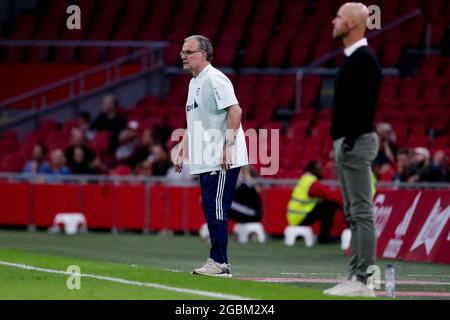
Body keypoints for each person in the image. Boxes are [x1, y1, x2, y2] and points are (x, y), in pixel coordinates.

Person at [172, 35, 248, 277]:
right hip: (205, 157)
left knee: (216, 208)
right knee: (209, 206)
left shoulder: (214, 78)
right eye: (182, 52)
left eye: (188, 51)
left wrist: (227, 147)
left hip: (220, 156)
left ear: (203, 54)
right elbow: (194, 122)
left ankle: (220, 262)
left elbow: (235, 110)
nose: (183, 55)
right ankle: (217, 261)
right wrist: (181, 147)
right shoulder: (194, 83)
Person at [325, 3, 382, 297]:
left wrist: (346, 141)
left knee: (361, 212)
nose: (333, 21)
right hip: (348, 142)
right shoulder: (351, 58)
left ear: (352, 23)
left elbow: (364, 107)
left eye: (338, 17)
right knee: (353, 211)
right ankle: (355, 274)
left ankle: (363, 279)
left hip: (356, 142)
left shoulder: (364, 59)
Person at [287, 161, 343, 243]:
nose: (322, 171)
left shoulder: (305, 179)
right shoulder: (312, 182)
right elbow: (330, 195)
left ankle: (324, 237)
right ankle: (324, 238)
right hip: (300, 217)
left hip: (294, 216)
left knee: (327, 204)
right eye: (319, 169)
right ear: (313, 170)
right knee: (329, 205)